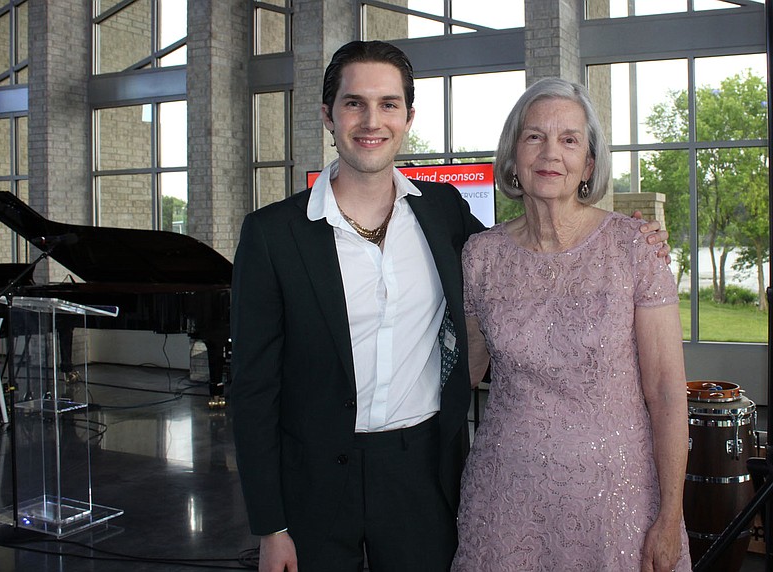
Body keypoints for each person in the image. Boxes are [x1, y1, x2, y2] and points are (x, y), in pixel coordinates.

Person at [231, 41, 670, 572]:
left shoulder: (444, 214)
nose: (373, 120)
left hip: (423, 475)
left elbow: (530, 265)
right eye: (355, 103)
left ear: (409, 117)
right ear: (328, 115)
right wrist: (271, 526)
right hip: (314, 483)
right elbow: (253, 391)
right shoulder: (273, 235)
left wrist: (637, 240)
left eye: (389, 104)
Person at [451, 77, 690, 572]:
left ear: (589, 164)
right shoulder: (481, 257)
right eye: (534, 136)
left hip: (616, 504)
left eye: (569, 139)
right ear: (513, 153)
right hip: (505, 502)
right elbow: (463, 372)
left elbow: (667, 391)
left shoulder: (634, 248)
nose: (549, 153)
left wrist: (670, 515)